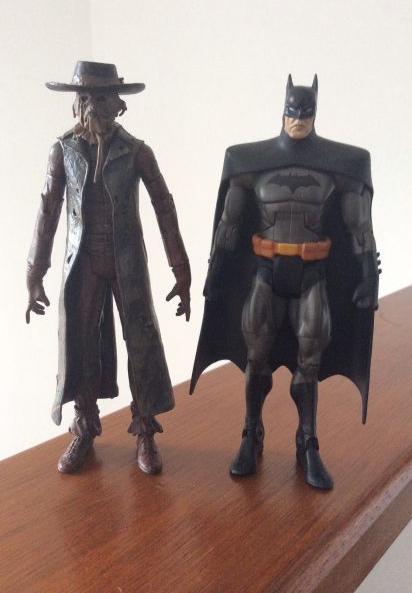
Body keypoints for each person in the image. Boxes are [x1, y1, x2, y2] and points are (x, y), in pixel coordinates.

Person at [191, 74, 379, 489]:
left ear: (314, 113)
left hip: (312, 273)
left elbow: (359, 227)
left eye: (305, 112)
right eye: (292, 111)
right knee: (255, 357)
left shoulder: (338, 170)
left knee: (310, 361)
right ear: (283, 110)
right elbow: (229, 225)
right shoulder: (250, 166)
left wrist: (368, 275)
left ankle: (307, 442)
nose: (298, 119)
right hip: (266, 269)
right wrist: (216, 272)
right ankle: (250, 432)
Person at [26, 61, 191, 475]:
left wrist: (181, 269)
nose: (90, 106)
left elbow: (164, 207)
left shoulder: (137, 152)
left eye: (100, 97)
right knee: (81, 342)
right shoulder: (63, 151)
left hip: (126, 261)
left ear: (118, 104)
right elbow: (47, 211)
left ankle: (145, 430)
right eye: (83, 97)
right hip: (83, 264)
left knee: (141, 341)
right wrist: (34, 271)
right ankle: (84, 427)